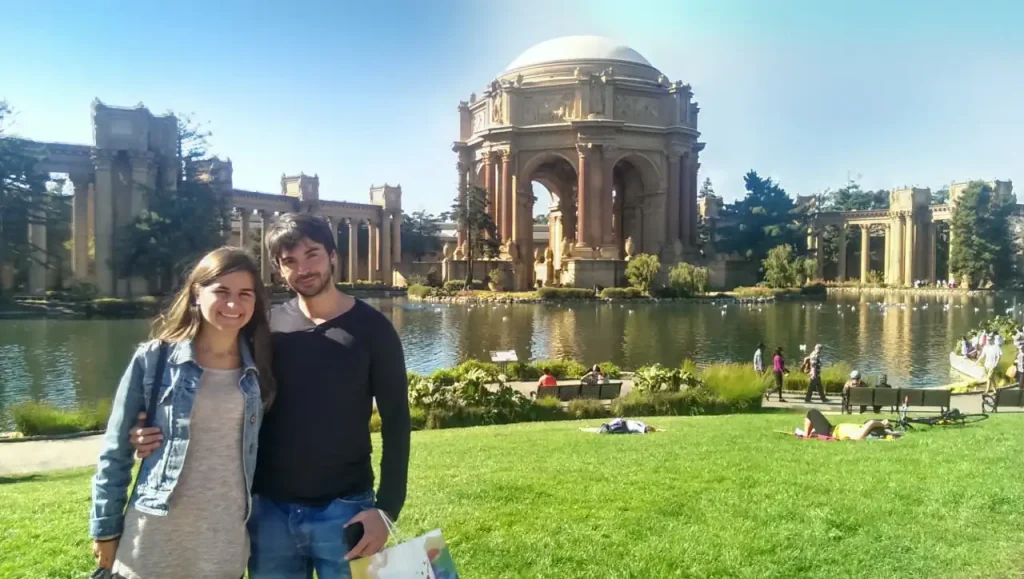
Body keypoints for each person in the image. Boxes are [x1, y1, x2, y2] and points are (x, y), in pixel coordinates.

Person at [130, 213, 411, 578]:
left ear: (332, 255)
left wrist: (386, 510)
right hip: (268, 512)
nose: (303, 268)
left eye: (312, 254)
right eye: (289, 261)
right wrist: (152, 426)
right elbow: (213, 390)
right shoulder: (264, 329)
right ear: (279, 270)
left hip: (346, 509)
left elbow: (397, 421)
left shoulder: (374, 330)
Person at [90, 247, 276, 578]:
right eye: (221, 292)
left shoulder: (261, 366)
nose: (233, 305)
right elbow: (115, 452)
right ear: (196, 293)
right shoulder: (154, 359)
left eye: (244, 294)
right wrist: (105, 529)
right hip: (155, 531)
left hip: (225, 536)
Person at [799, 409, 892, 441]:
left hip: (829, 432)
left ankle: (806, 435)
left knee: (812, 412)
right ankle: (809, 433)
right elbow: (870, 423)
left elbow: (871, 423)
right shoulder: (861, 430)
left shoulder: (859, 435)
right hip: (831, 428)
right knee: (814, 424)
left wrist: (882, 424)